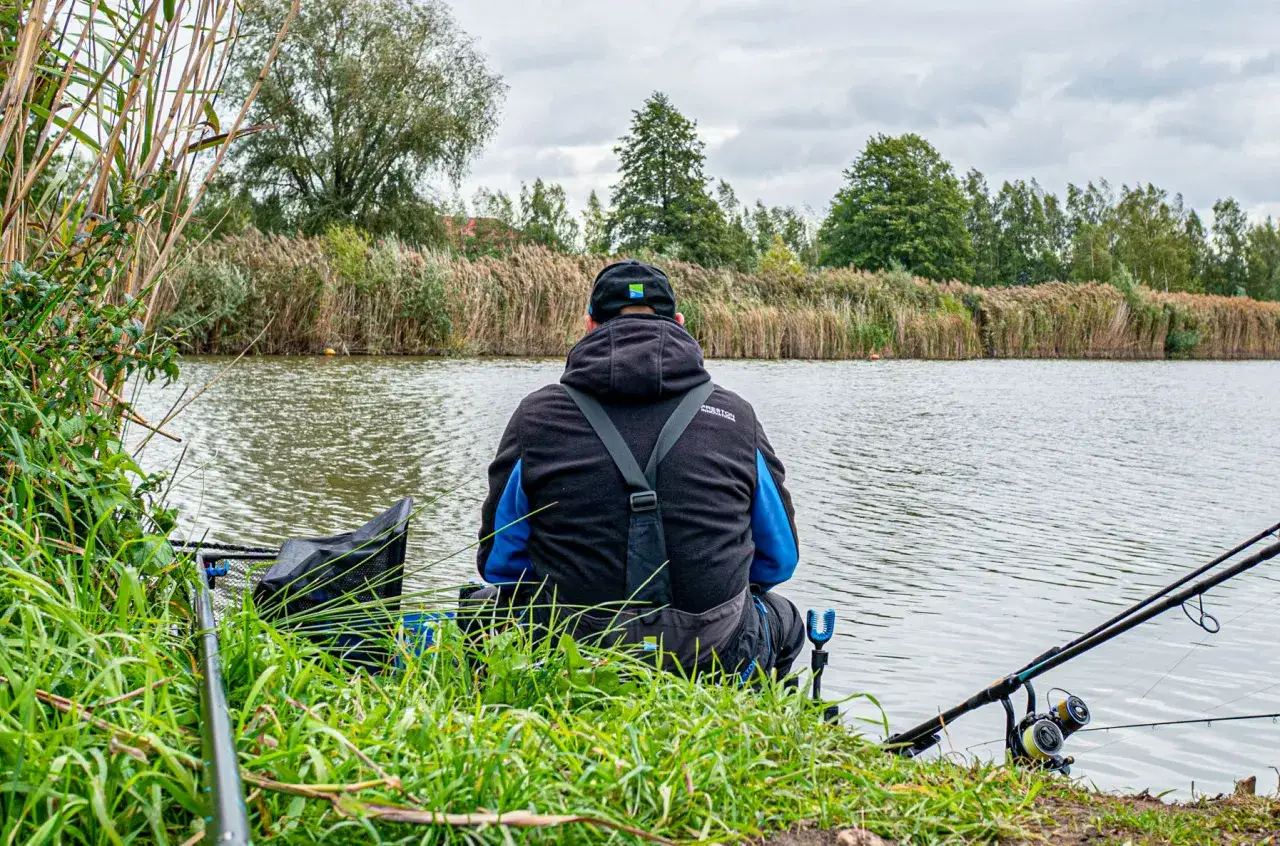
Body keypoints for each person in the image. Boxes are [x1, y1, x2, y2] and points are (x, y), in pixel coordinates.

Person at [475, 259, 806, 680]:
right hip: (712, 650)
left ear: (590, 326)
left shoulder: (537, 416)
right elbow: (779, 561)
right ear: (679, 323)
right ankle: (753, 713)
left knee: (487, 607)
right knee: (784, 618)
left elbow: (500, 566)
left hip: (574, 648)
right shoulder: (735, 416)